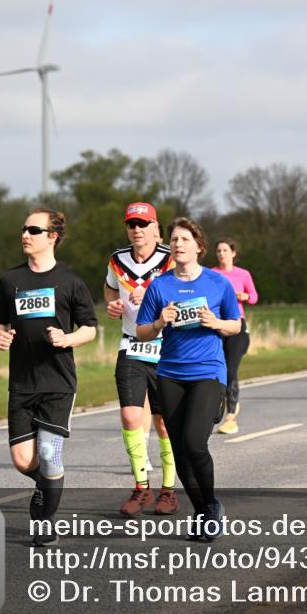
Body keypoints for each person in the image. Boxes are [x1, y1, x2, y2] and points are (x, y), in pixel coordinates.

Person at [0, 208, 98, 546]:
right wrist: (1, 336)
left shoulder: (70, 281)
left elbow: (91, 330)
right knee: (24, 460)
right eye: (24, 229)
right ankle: (48, 485)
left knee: (50, 453)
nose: (25, 235)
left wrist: (67, 339)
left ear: (52, 237)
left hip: (57, 382)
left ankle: (44, 522)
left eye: (34, 230)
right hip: (22, 381)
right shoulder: (10, 280)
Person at [136, 217, 241, 542]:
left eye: (185, 239)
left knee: (195, 443)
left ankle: (210, 505)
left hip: (208, 371)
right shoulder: (160, 285)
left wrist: (216, 322)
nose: (178, 244)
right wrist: (158, 323)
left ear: (199, 246)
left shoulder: (217, 283)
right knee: (179, 448)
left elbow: (236, 325)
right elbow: (140, 330)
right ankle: (205, 511)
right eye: (175, 239)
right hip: (170, 374)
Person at [104, 202, 179, 516]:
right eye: (131, 224)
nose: (137, 230)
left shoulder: (169, 259)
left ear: (155, 228)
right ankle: (140, 488)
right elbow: (109, 290)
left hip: (167, 347)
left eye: (143, 224)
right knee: (131, 417)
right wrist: (113, 306)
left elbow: (181, 293)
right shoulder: (117, 260)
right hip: (132, 346)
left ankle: (169, 491)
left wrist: (149, 294)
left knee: (163, 423)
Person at [213, 238, 259, 434]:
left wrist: (244, 297)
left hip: (237, 327)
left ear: (233, 253)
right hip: (217, 327)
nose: (221, 253)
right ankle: (228, 402)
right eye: (218, 251)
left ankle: (231, 417)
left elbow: (254, 297)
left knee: (231, 370)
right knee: (216, 371)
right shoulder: (212, 274)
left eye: (225, 250)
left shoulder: (243, 274)